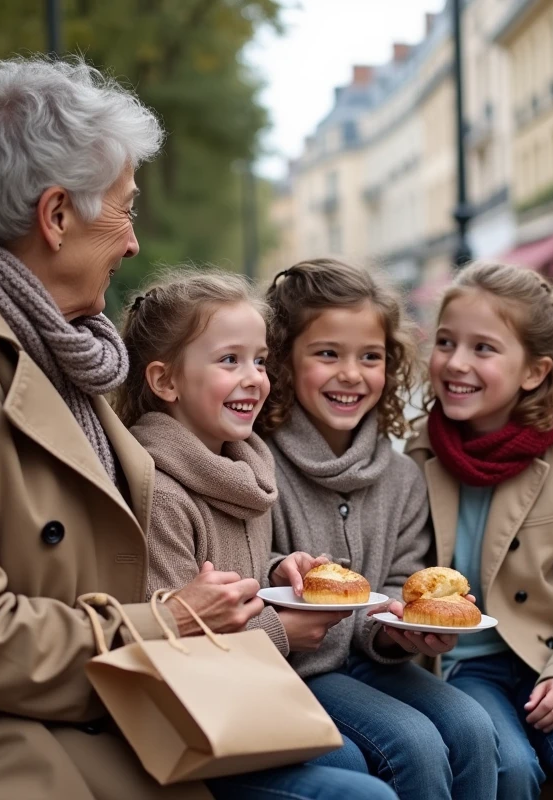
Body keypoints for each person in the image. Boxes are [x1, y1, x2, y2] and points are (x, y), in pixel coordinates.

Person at [0, 57, 393, 800]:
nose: (133, 243)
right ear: (56, 216)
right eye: (124, 209)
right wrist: (170, 621)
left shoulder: (53, 346)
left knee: (358, 769)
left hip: (83, 722)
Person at [118, 269, 391, 796]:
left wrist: (277, 571)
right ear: (165, 381)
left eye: (260, 360)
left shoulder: (243, 471)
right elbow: (168, 640)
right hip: (198, 731)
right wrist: (281, 631)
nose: (255, 378)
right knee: (365, 786)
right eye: (230, 360)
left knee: (362, 760)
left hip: (252, 697)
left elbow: (233, 572)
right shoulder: (162, 494)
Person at [260, 259, 501, 800]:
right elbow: (250, 565)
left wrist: (398, 628)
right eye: (328, 354)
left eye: (370, 357)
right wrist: (281, 572)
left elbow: (398, 581)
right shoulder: (257, 464)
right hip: (297, 668)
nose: (352, 374)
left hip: (370, 661)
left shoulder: (400, 477)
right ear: (282, 361)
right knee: (413, 744)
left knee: (471, 726)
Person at [406, 262, 553, 798]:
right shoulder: (417, 453)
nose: (456, 362)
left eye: (484, 349)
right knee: (509, 767)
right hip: (463, 667)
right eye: (446, 342)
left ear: (534, 371)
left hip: (550, 656)